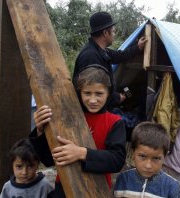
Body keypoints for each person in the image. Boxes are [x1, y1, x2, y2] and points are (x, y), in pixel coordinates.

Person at [30, 65, 126, 197]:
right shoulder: (65, 118)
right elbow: (48, 160)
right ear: (79, 93)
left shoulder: (114, 122)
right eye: (87, 93)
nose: (93, 100)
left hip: (97, 190)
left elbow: (117, 160)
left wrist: (81, 153)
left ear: (108, 93)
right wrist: (40, 131)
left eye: (99, 93)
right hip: (64, 187)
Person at [73, 11, 147, 106]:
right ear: (105, 33)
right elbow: (94, 91)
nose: (114, 34)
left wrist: (138, 47)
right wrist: (117, 98)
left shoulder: (101, 50)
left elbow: (120, 56)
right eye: (113, 31)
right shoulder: (91, 56)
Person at [114, 122, 180, 198]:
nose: (148, 166)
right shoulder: (123, 179)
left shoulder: (172, 187)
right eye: (142, 156)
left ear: (165, 156)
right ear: (133, 153)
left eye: (156, 158)